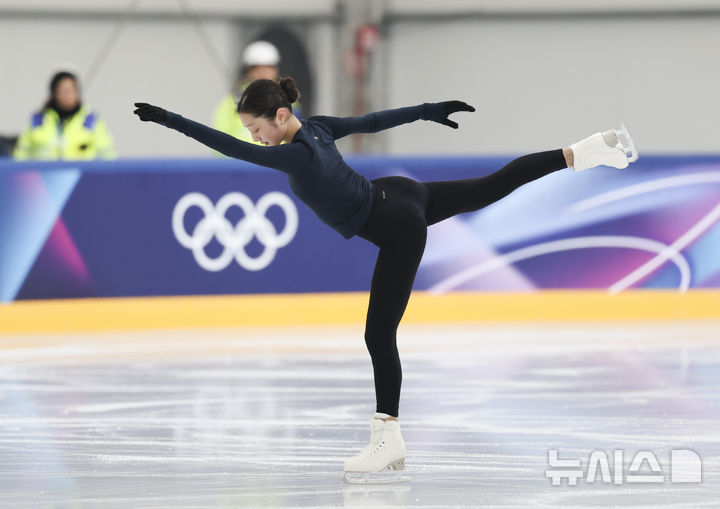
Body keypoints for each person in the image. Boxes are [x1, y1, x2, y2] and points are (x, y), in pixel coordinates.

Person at [133, 77, 638, 483]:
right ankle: (589, 150)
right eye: (249, 130)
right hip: (401, 194)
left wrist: (170, 120)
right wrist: (426, 110)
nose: (253, 137)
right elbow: (373, 121)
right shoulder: (319, 128)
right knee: (492, 186)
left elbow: (226, 147)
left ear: (281, 115)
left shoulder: (296, 153)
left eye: (256, 127)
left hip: (397, 224)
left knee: (378, 334)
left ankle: (387, 438)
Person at [213, 40, 301, 145]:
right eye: (257, 68)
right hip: (240, 156)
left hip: (277, 155)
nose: (264, 72)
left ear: (276, 69)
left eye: (269, 67)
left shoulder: (289, 101)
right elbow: (220, 140)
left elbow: (296, 136)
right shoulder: (231, 102)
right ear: (249, 70)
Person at [14, 70, 116, 160]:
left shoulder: (91, 120)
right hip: (44, 174)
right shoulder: (38, 120)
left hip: (81, 175)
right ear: (54, 93)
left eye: (71, 90)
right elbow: (21, 154)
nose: (67, 95)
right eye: (63, 90)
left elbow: (107, 155)